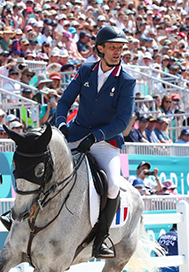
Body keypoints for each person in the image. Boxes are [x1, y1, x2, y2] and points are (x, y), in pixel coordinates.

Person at [55, 26, 136, 258]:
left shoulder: (127, 81)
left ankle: (102, 238)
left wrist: (96, 137)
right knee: (46, 163)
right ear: (100, 48)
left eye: (120, 48)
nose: (117, 52)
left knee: (112, 185)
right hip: (77, 133)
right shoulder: (86, 70)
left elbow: (122, 122)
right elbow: (64, 102)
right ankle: (21, 216)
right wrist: (61, 124)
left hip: (105, 142)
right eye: (112, 47)